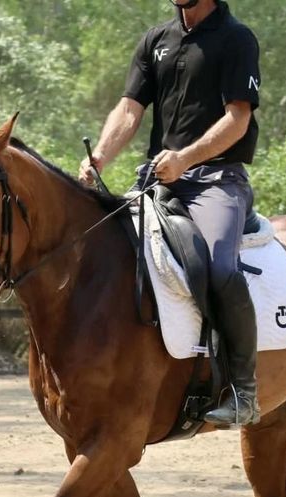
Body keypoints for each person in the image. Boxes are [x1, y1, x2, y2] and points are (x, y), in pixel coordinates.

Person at [79, 0, 261, 426]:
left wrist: (187, 158)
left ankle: (244, 390)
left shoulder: (237, 39)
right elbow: (129, 109)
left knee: (221, 270)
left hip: (217, 182)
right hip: (158, 179)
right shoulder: (156, 40)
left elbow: (238, 118)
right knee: (109, 252)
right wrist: (100, 157)